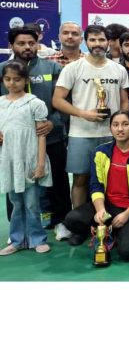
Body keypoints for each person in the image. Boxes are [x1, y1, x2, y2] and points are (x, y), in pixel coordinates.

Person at [53, 25, 129, 212]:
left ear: (108, 42)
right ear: (85, 41)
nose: (97, 44)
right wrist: (83, 114)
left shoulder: (119, 70)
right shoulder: (73, 68)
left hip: (112, 135)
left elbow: (124, 102)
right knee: (80, 179)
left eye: (101, 40)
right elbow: (57, 100)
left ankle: (108, 220)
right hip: (81, 133)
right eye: (93, 40)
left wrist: (119, 124)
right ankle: (79, 222)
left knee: (113, 178)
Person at [62, 111, 129, 260]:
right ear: (110, 128)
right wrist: (100, 211)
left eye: (125, 124)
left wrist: (126, 215)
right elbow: (95, 184)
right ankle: (105, 230)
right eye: (115, 125)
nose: (120, 129)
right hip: (108, 205)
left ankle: (122, 232)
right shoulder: (100, 152)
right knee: (72, 219)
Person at [1, 27, 67, 233]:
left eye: (31, 43)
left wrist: (53, 122)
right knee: (16, 183)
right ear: (11, 46)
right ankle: (17, 228)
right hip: (14, 141)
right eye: (21, 43)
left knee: (57, 180)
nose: (27, 47)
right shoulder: (2, 69)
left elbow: (64, 102)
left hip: (50, 137)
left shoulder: (52, 68)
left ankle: (61, 222)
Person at [0, 60, 52, 255]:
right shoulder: (0, 104)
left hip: (30, 157)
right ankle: (16, 240)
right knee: (16, 202)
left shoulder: (35, 103)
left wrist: (40, 164)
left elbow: (41, 135)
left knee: (32, 203)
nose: (12, 83)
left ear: (26, 80)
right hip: (9, 160)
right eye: (8, 79)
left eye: (17, 79)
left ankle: (37, 238)